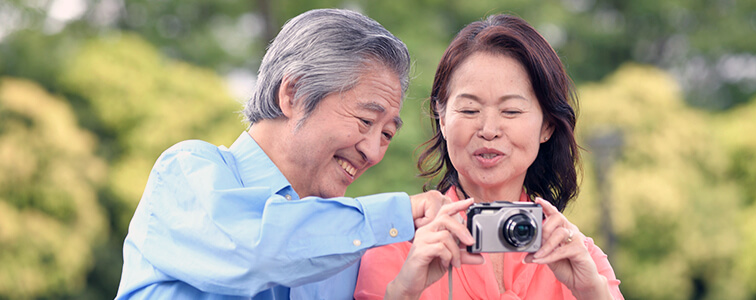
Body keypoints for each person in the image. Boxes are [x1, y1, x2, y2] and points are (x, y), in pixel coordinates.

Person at [115, 8, 474, 300]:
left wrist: (401, 294)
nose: (373, 151)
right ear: (293, 94)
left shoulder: (344, 250)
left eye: (387, 134)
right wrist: (402, 212)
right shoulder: (186, 173)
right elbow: (260, 250)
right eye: (365, 120)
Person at [354, 14, 624, 299]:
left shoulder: (579, 257)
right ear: (442, 118)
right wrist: (404, 292)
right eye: (470, 110)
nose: (489, 130)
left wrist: (591, 292)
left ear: (547, 126)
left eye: (511, 111)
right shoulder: (397, 246)